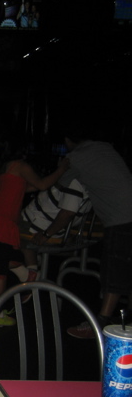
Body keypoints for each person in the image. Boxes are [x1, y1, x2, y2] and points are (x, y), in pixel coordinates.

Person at [49, 127, 132, 339]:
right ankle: (123, 321)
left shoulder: (76, 158)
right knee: (123, 269)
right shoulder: (106, 148)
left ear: (68, 140)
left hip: (121, 219)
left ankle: (101, 323)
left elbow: (58, 184)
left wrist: (61, 167)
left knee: (113, 272)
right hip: (126, 214)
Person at [0, 143, 69, 324]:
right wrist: (62, 169)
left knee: (6, 261)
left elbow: (26, 188)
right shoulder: (20, 166)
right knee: (0, 271)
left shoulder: (4, 169)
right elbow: (42, 184)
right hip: (1, 224)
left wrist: (52, 180)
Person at [19, 177, 91, 276]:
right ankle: (30, 267)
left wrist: (46, 234)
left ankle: (29, 272)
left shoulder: (75, 181)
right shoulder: (90, 181)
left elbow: (68, 212)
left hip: (43, 226)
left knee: (5, 227)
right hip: (57, 228)